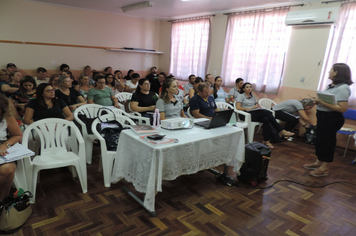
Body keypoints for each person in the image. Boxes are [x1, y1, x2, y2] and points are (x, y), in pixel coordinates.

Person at [303, 63, 353, 177]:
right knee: (320, 140)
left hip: (332, 118)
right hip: (323, 116)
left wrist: (322, 102)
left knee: (328, 142)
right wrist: (317, 101)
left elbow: (342, 108)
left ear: (337, 72)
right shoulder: (331, 86)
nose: (329, 72)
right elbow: (327, 101)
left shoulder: (343, 88)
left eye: (331, 70)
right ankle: (318, 162)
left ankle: (325, 167)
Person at [235, 82, 294, 148]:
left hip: (254, 112)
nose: (249, 88)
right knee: (267, 113)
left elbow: (256, 103)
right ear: (243, 89)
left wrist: (258, 106)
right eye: (247, 87)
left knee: (266, 119)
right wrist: (250, 108)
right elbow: (238, 108)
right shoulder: (241, 96)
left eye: (250, 87)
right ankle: (281, 130)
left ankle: (266, 140)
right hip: (245, 114)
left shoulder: (252, 96)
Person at [0, 93, 23, 201]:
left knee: (8, 169)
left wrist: (5, 144)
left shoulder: (6, 116)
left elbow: (18, 135)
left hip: (2, 148)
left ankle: (2, 201)